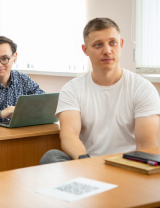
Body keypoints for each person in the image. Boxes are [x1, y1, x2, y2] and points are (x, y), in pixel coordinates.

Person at [40, 17, 160, 164]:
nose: (107, 51)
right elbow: (69, 135)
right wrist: (89, 164)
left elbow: (147, 146)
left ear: (121, 44)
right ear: (86, 50)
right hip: (87, 163)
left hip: (129, 165)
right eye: (98, 45)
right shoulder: (72, 89)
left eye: (113, 43)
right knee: (51, 156)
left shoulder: (142, 88)